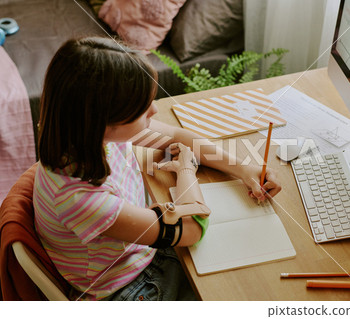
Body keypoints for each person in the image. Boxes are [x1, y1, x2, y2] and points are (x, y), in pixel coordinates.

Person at [34, 37, 281, 301]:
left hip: (142, 251)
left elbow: (178, 137)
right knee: (249, 287)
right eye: (141, 108)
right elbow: (193, 228)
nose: (154, 110)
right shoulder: (81, 198)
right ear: (102, 120)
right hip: (133, 286)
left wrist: (243, 168)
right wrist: (186, 170)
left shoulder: (86, 137)